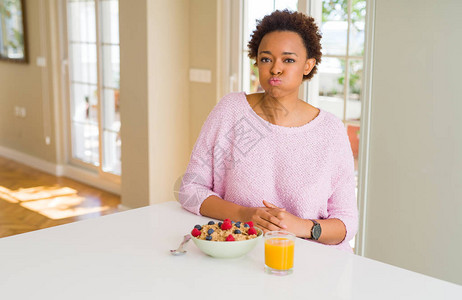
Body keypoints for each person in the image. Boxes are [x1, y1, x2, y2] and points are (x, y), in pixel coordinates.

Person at [179, 10, 358, 253]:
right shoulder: (231, 111)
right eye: (266, 59)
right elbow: (190, 190)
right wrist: (246, 214)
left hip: (312, 261)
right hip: (238, 252)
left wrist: (303, 227)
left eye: (288, 60)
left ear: (308, 65)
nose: (275, 69)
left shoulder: (330, 130)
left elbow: (347, 222)